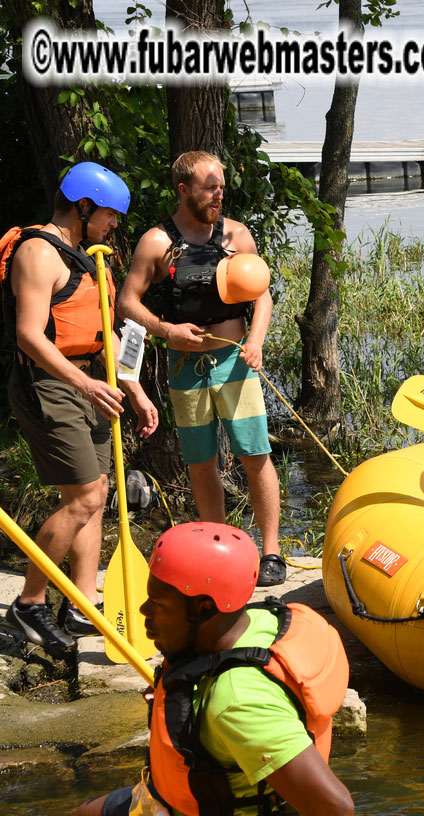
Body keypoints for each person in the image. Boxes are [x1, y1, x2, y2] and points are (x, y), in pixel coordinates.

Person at [75, 522, 354, 816]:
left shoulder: (238, 704)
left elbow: (335, 807)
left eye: (157, 604)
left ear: (204, 608)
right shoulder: (261, 619)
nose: (143, 611)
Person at [2, 161, 159, 656]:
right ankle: (29, 603)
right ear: (85, 206)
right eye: (111, 215)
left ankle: (80, 600)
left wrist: (133, 389)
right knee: (86, 496)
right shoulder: (38, 252)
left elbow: (106, 333)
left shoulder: (91, 257)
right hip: (49, 383)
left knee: (97, 489)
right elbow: (29, 335)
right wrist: (86, 385)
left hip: (88, 380)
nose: (115, 226)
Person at [119, 151, 285, 586]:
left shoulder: (236, 235)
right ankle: (222, 547)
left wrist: (256, 341)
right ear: (184, 190)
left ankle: (271, 552)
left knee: (255, 455)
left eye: (221, 186)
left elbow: (262, 295)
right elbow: (127, 301)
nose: (219, 194)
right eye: (210, 186)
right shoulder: (157, 242)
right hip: (185, 367)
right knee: (200, 462)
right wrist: (165, 331)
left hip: (235, 361)